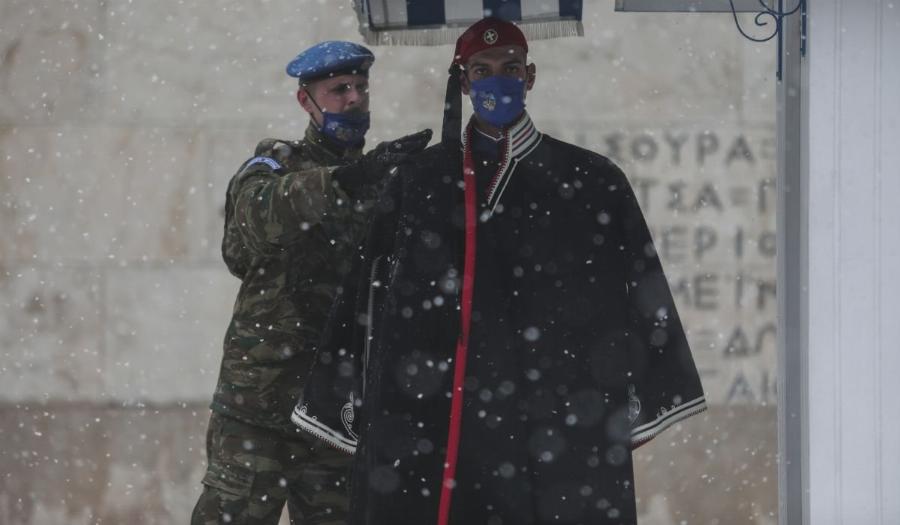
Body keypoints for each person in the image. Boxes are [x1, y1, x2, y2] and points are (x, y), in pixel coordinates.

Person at [293, 19, 706, 525]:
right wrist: (347, 390)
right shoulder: (421, 181)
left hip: (557, 412)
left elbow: (644, 292)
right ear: (463, 82)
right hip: (441, 417)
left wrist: (639, 390)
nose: (497, 81)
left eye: (510, 68)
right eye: (481, 71)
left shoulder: (590, 181)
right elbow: (366, 298)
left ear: (530, 76)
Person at [191, 40, 431, 525]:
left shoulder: (385, 182)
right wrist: (346, 181)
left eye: (361, 87)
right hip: (260, 409)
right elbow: (252, 226)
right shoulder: (276, 165)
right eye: (339, 88)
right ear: (307, 101)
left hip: (335, 415)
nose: (354, 98)